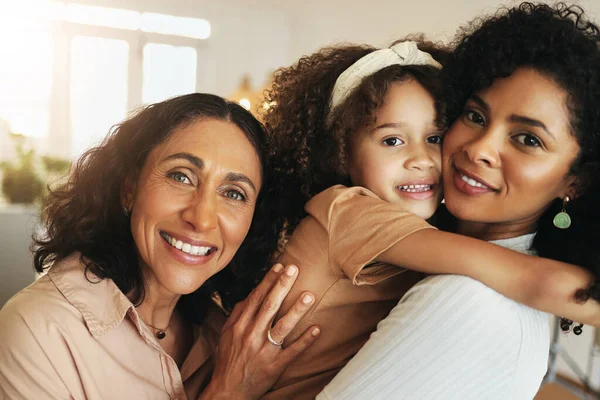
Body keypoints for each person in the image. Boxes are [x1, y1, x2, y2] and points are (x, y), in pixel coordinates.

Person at [317, 3, 600, 399]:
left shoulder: (468, 299)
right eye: (475, 116)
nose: (480, 148)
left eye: (528, 139)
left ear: (576, 182)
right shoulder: (378, 224)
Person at [0, 93, 320, 399]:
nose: (202, 218)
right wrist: (229, 393)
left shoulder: (225, 335)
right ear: (129, 188)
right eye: (181, 176)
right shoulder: (37, 330)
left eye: (234, 193)